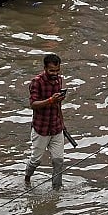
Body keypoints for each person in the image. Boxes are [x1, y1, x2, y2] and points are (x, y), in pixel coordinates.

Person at [26, 53, 67, 188]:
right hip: (41, 129)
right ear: (44, 68)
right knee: (36, 160)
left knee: (58, 161)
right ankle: (27, 178)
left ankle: (57, 190)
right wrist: (50, 100)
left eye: (57, 70)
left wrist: (62, 124)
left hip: (56, 127)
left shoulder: (59, 80)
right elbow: (33, 104)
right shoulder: (36, 82)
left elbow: (58, 105)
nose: (55, 73)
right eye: (51, 71)